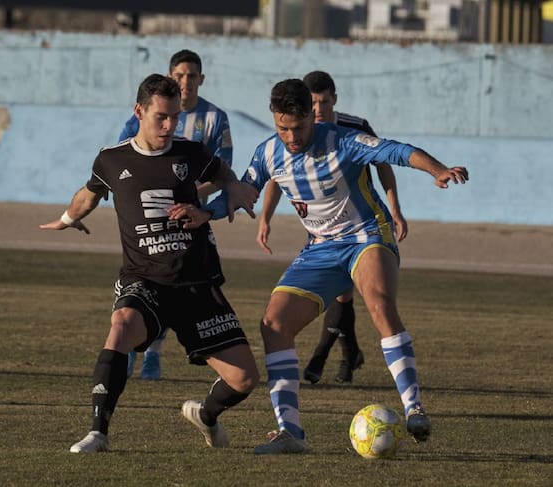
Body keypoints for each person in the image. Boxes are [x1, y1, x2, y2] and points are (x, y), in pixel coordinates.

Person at [206, 79, 468, 454]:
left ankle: (414, 408)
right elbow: (242, 193)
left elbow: (397, 151)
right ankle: (290, 433)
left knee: (378, 303)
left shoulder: (343, 141)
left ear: (311, 116)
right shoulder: (268, 153)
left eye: (298, 128)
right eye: (282, 128)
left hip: (367, 235)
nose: (291, 137)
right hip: (320, 248)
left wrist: (437, 169)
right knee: (274, 325)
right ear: (275, 119)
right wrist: (201, 213)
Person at [40, 74, 260, 453]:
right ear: (139, 111)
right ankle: (98, 433)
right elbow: (88, 195)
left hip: (196, 283)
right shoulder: (112, 160)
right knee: (121, 327)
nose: (170, 126)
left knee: (245, 379)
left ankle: (205, 414)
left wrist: (232, 187)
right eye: (162, 117)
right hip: (145, 279)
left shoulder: (191, 153)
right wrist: (67, 218)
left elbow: (221, 172)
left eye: (175, 117)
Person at [256, 70, 408, 385]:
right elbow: (276, 176)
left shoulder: (352, 128)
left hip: (360, 225)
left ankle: (323, 356)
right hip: (321, 230)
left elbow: (383, 162)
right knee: (342, 294)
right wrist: (265, 217)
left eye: (323, 102)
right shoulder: (295, 134)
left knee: (351, 294)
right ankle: (347, 353)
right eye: (312, 103)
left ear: (334, 100)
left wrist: (395, 208)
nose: (317, 110)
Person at [118, 49, 233, 380]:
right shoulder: (144, 113)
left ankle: (153, 354)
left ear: (201, 79)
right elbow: (124, 155)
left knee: (178, 281)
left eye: (191, 75)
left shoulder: (215, 118)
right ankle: (131, 345)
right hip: (148, 213)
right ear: (170, 77)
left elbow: (222, 170)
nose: (185, 81)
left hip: (189, 214)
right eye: (179, 75)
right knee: (144, 280)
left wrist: (191, 197)